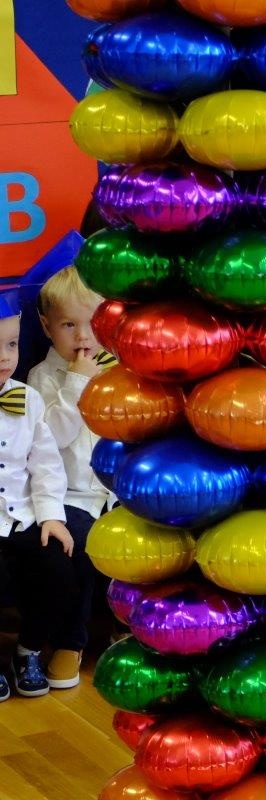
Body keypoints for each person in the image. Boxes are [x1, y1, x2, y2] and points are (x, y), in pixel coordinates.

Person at [26, 234, 115, 689]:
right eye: (68, 326)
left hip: (117, 493)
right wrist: (76, 383)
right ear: (46, 327)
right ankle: (70, 641)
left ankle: (133, 630)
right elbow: (48, 440)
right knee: (75, 546)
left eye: (92, 324)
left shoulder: (121, 368)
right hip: (72, 496)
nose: (83, 337)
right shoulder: (41, 378)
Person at [0, 281, 75, 700]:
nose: (4, 358)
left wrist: (51, 517)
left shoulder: (27, 400)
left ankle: (28, 650)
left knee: (58, 566)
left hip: (24, 516)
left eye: (11, 345)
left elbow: (45, 465)